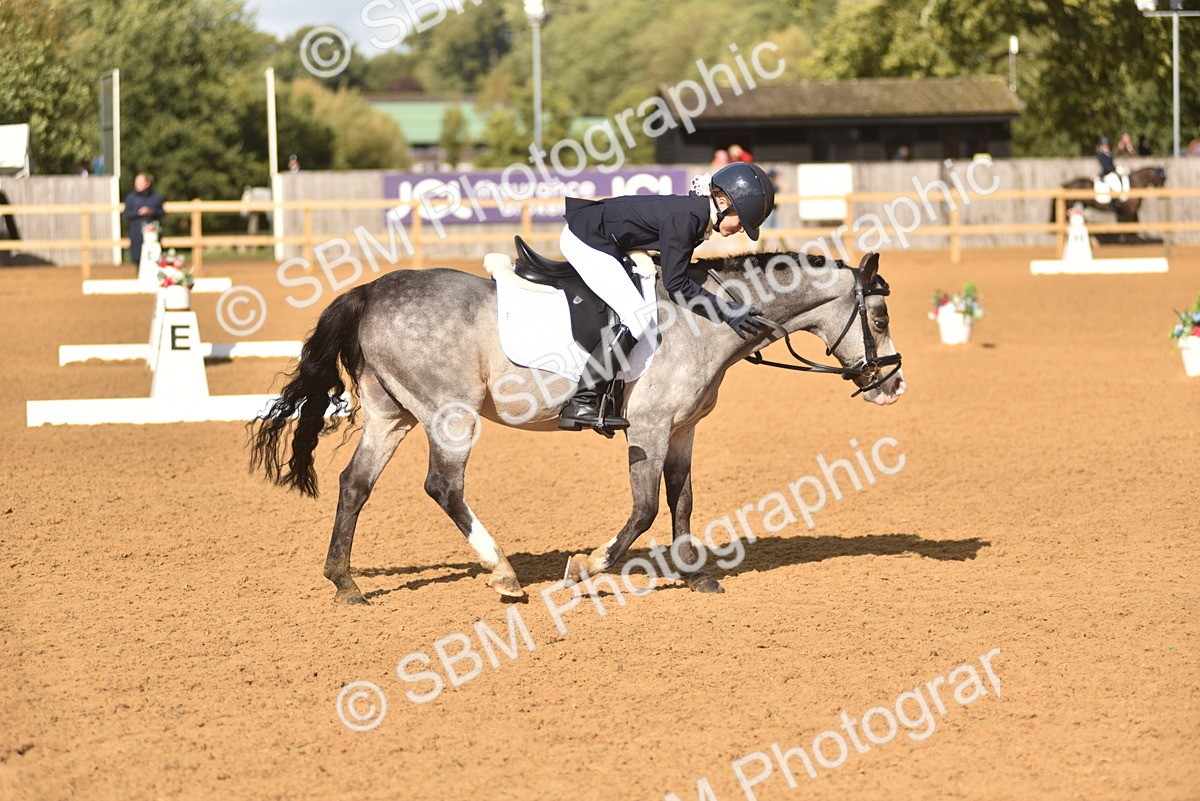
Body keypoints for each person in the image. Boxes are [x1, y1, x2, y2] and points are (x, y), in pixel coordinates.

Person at [557, 162, 775, 433]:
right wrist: (725, 310)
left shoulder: (697, 214)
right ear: (722, 203)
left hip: (603, 235)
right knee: (637, 318)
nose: (742, 229)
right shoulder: (689, 219)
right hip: (586, 239)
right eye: (742, 220)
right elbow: (677, 285)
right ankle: (582, 400)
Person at [122, 173, 164, 267]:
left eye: (140, 182)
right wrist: (138, 213)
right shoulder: (131, 197)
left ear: (147, 183)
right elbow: (126, 214)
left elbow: (161, 212)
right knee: (137, 256)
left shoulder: (156, 197)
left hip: (152, 232)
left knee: (154, 257)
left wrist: (152, 212)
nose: (137, 184)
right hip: (136, 231)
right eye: (136, 182)